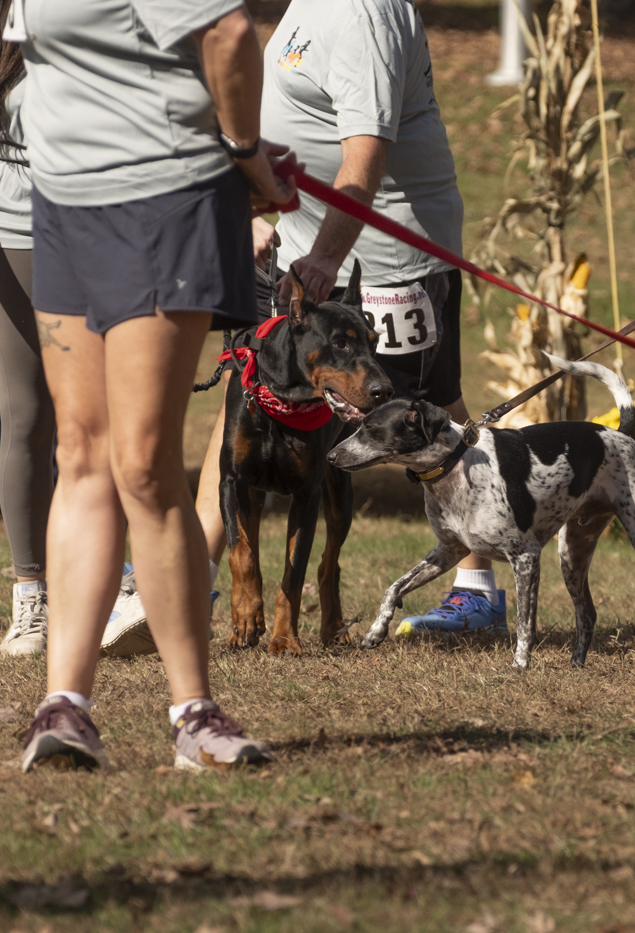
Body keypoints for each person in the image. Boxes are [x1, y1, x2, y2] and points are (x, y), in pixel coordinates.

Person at [13, 0, 296, 772]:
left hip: (162, 200)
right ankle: (64, 706)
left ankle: (193, 713)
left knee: (142, 462)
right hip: (63, 203)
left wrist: (243, 154)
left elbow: (228, 33)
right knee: (80, 452)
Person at [192, 0, 507, 637]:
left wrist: (327, 258)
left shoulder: (364, 14)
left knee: (431, 418)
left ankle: (478, 590)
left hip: (383, 263)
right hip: (300, 253)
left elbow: (365, 157)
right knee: (245, 392)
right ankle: (189, 576)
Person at [0, 0, 148, 659]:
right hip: (5, 237)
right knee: (29, 415)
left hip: (104, 228)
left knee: (111, 417)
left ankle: (119, 579)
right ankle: (33, 597)